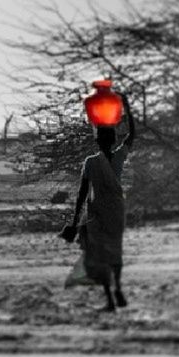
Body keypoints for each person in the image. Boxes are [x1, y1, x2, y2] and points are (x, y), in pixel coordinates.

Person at [67, 92, 135, 312]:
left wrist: (75, 221)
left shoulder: (91, 162)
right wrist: (127, 107)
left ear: (97, 140)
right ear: (114, 140)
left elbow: (82, 192)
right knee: (115, 251)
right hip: (116, 212)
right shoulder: (119, 157)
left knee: (100, 256)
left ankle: (110, 298)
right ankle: (118, 289)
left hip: (98, 214)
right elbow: (133, 134)